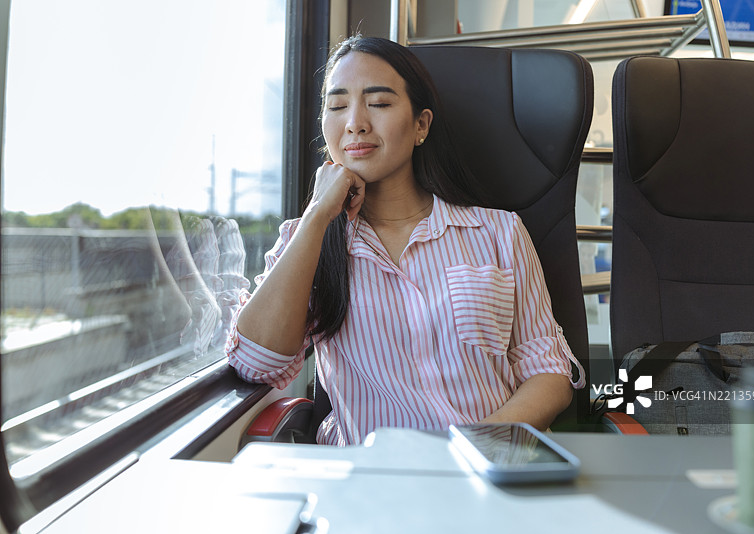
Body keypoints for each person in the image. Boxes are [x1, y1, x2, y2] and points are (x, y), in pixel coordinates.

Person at [226, 35, 585, 446]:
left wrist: (474, 448)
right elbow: (256, 364)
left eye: (378, 104)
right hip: (370, 485)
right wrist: (317, 214)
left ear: (421, 126)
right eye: (337, 105)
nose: (355, 123)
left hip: (486, 471)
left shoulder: (499, 233)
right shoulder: (307, 241)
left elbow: (549, 374)